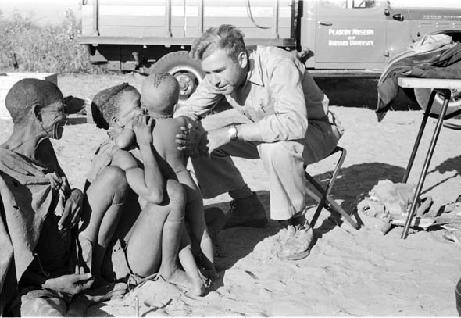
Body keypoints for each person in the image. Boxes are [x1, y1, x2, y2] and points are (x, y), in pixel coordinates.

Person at [175, 24, 343, 261]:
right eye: (208, 73)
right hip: (268, 131)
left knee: (276, 147)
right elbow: (190, 110)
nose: (213, 80)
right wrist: (170, 125)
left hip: (316, 131)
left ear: (242, 58)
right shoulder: (219, 74)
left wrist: (232, 132)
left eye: (218, 71)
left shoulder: (278, 65)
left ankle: (297, 224)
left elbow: (294, 124)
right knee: (201, 133)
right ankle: (246, 205)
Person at [0, 78, 129, 316]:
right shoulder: (3, 169)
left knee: (116, 178)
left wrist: (77, 195)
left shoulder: (44, 149)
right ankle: (79, 298)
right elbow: (6, 254)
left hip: (72, 250)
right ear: (37, 113)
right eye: (60, 110)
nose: (66, 117)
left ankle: (94, 279)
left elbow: (58, 193)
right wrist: (50, 285)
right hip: (36, 281)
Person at [86, 83, 207, 296]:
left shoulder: (131, 142)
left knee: (197, 210)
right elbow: (155, 194)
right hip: (126, 259)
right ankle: (169, 269)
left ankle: (185, 263)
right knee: (172, 192)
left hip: (144, 239)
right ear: (117, 121)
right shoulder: (117, 153)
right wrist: (145, 144)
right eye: (138, 105)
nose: (145, 109)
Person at [140, 72, 216, 278]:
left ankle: (185, 270)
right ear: (175, 105)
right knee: (202, 230)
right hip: (186, 180)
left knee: (180, 235)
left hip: (168, 185)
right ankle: (212, 269)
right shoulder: (182, 122)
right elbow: (194, 130)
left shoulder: (144, 128)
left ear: (143, 104)